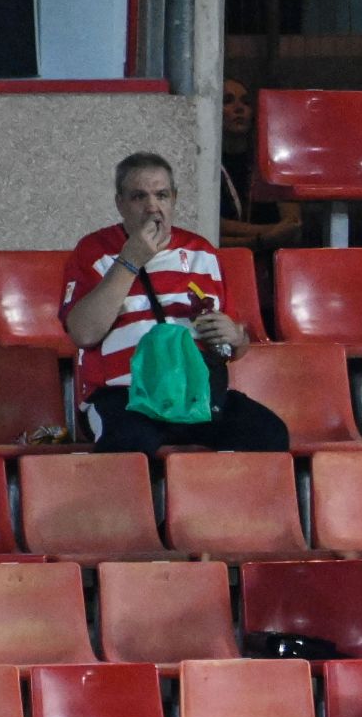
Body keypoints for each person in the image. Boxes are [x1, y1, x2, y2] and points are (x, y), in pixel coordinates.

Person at [61, 152, 289, 454]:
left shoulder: (202, 253)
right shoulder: (93, 251)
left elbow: (237, 346)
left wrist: (234, 336)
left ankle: (215, 503)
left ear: (174, 200)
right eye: (139, 196)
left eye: (161, 195)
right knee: (130, 446)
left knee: (267, 433)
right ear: (120, 204)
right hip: (126, 395)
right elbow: (83, 333)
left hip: (194, 395)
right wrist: (130, 260)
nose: (152, 206)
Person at [217, 78, 304, 254]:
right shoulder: (205, 166)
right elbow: (209, 230)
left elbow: (293, 225)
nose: (239, 108)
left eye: (246, 102)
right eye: (228, 101)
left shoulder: (272, 163)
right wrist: (264, 238)